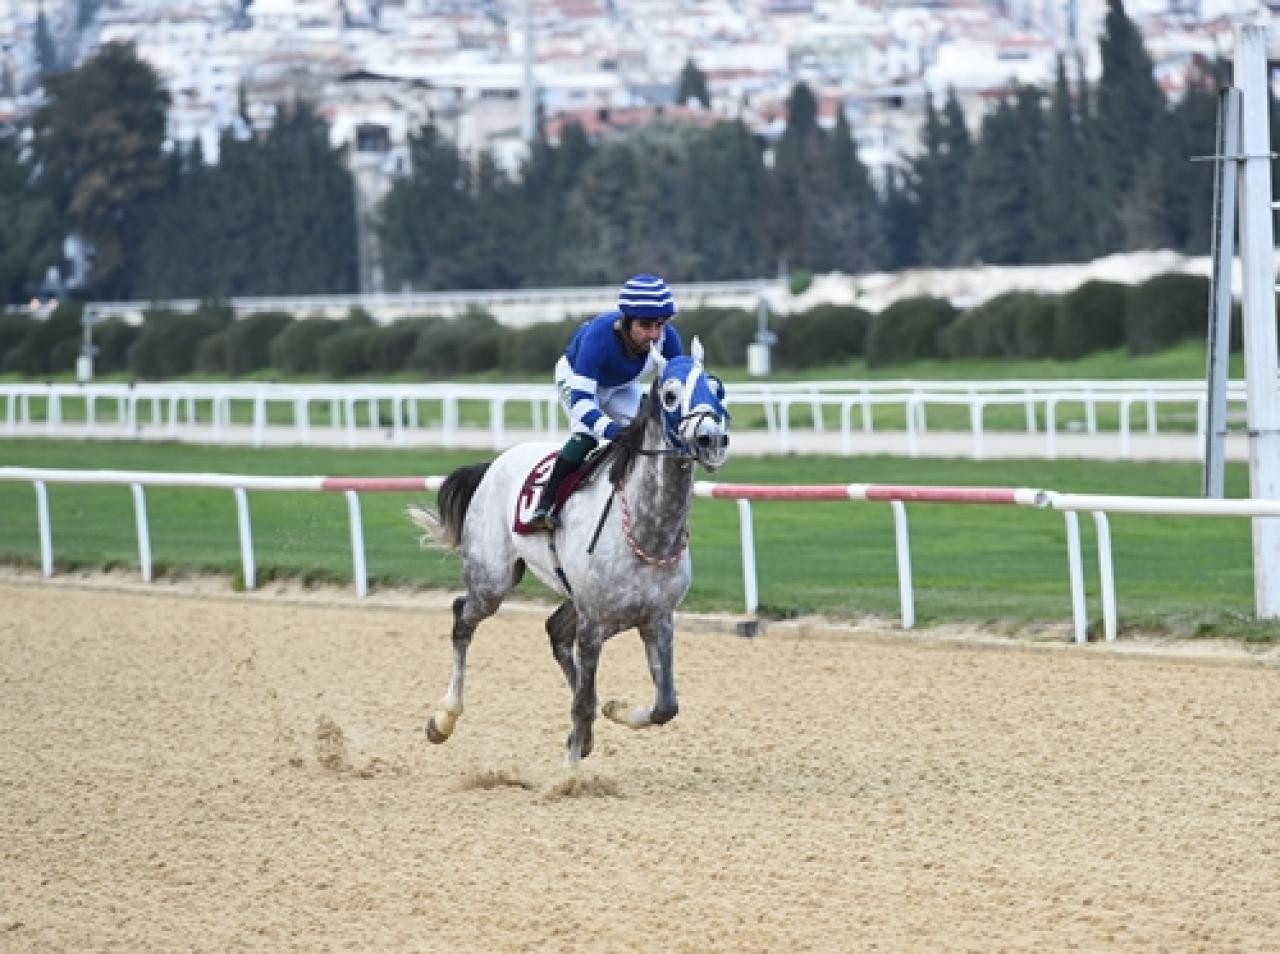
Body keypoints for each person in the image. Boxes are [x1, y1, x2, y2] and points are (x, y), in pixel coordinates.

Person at [526, 273, 683, 531]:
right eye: (645, 325)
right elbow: (581, 400)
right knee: (587, 436)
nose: (654, 334)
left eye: (660, 325)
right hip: (578, 382)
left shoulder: (668, 338)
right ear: (626, 321)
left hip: (621, 385)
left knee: (647, 432)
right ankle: (546, 504)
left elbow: (679, 382)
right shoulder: (598, 336)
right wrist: (610, 430)